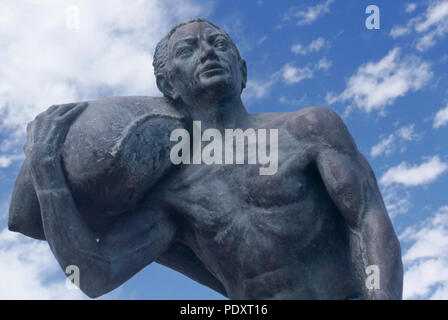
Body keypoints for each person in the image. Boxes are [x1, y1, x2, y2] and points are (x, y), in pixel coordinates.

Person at [20, 19, 402, 299]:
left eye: (219, 44)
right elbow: (94, 276)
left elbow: (367, 218)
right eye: (187, 51)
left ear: (244, 71)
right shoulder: (174, 193)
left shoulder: (309, 129)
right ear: (169, 85)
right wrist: (47, 173)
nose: (208, 53)